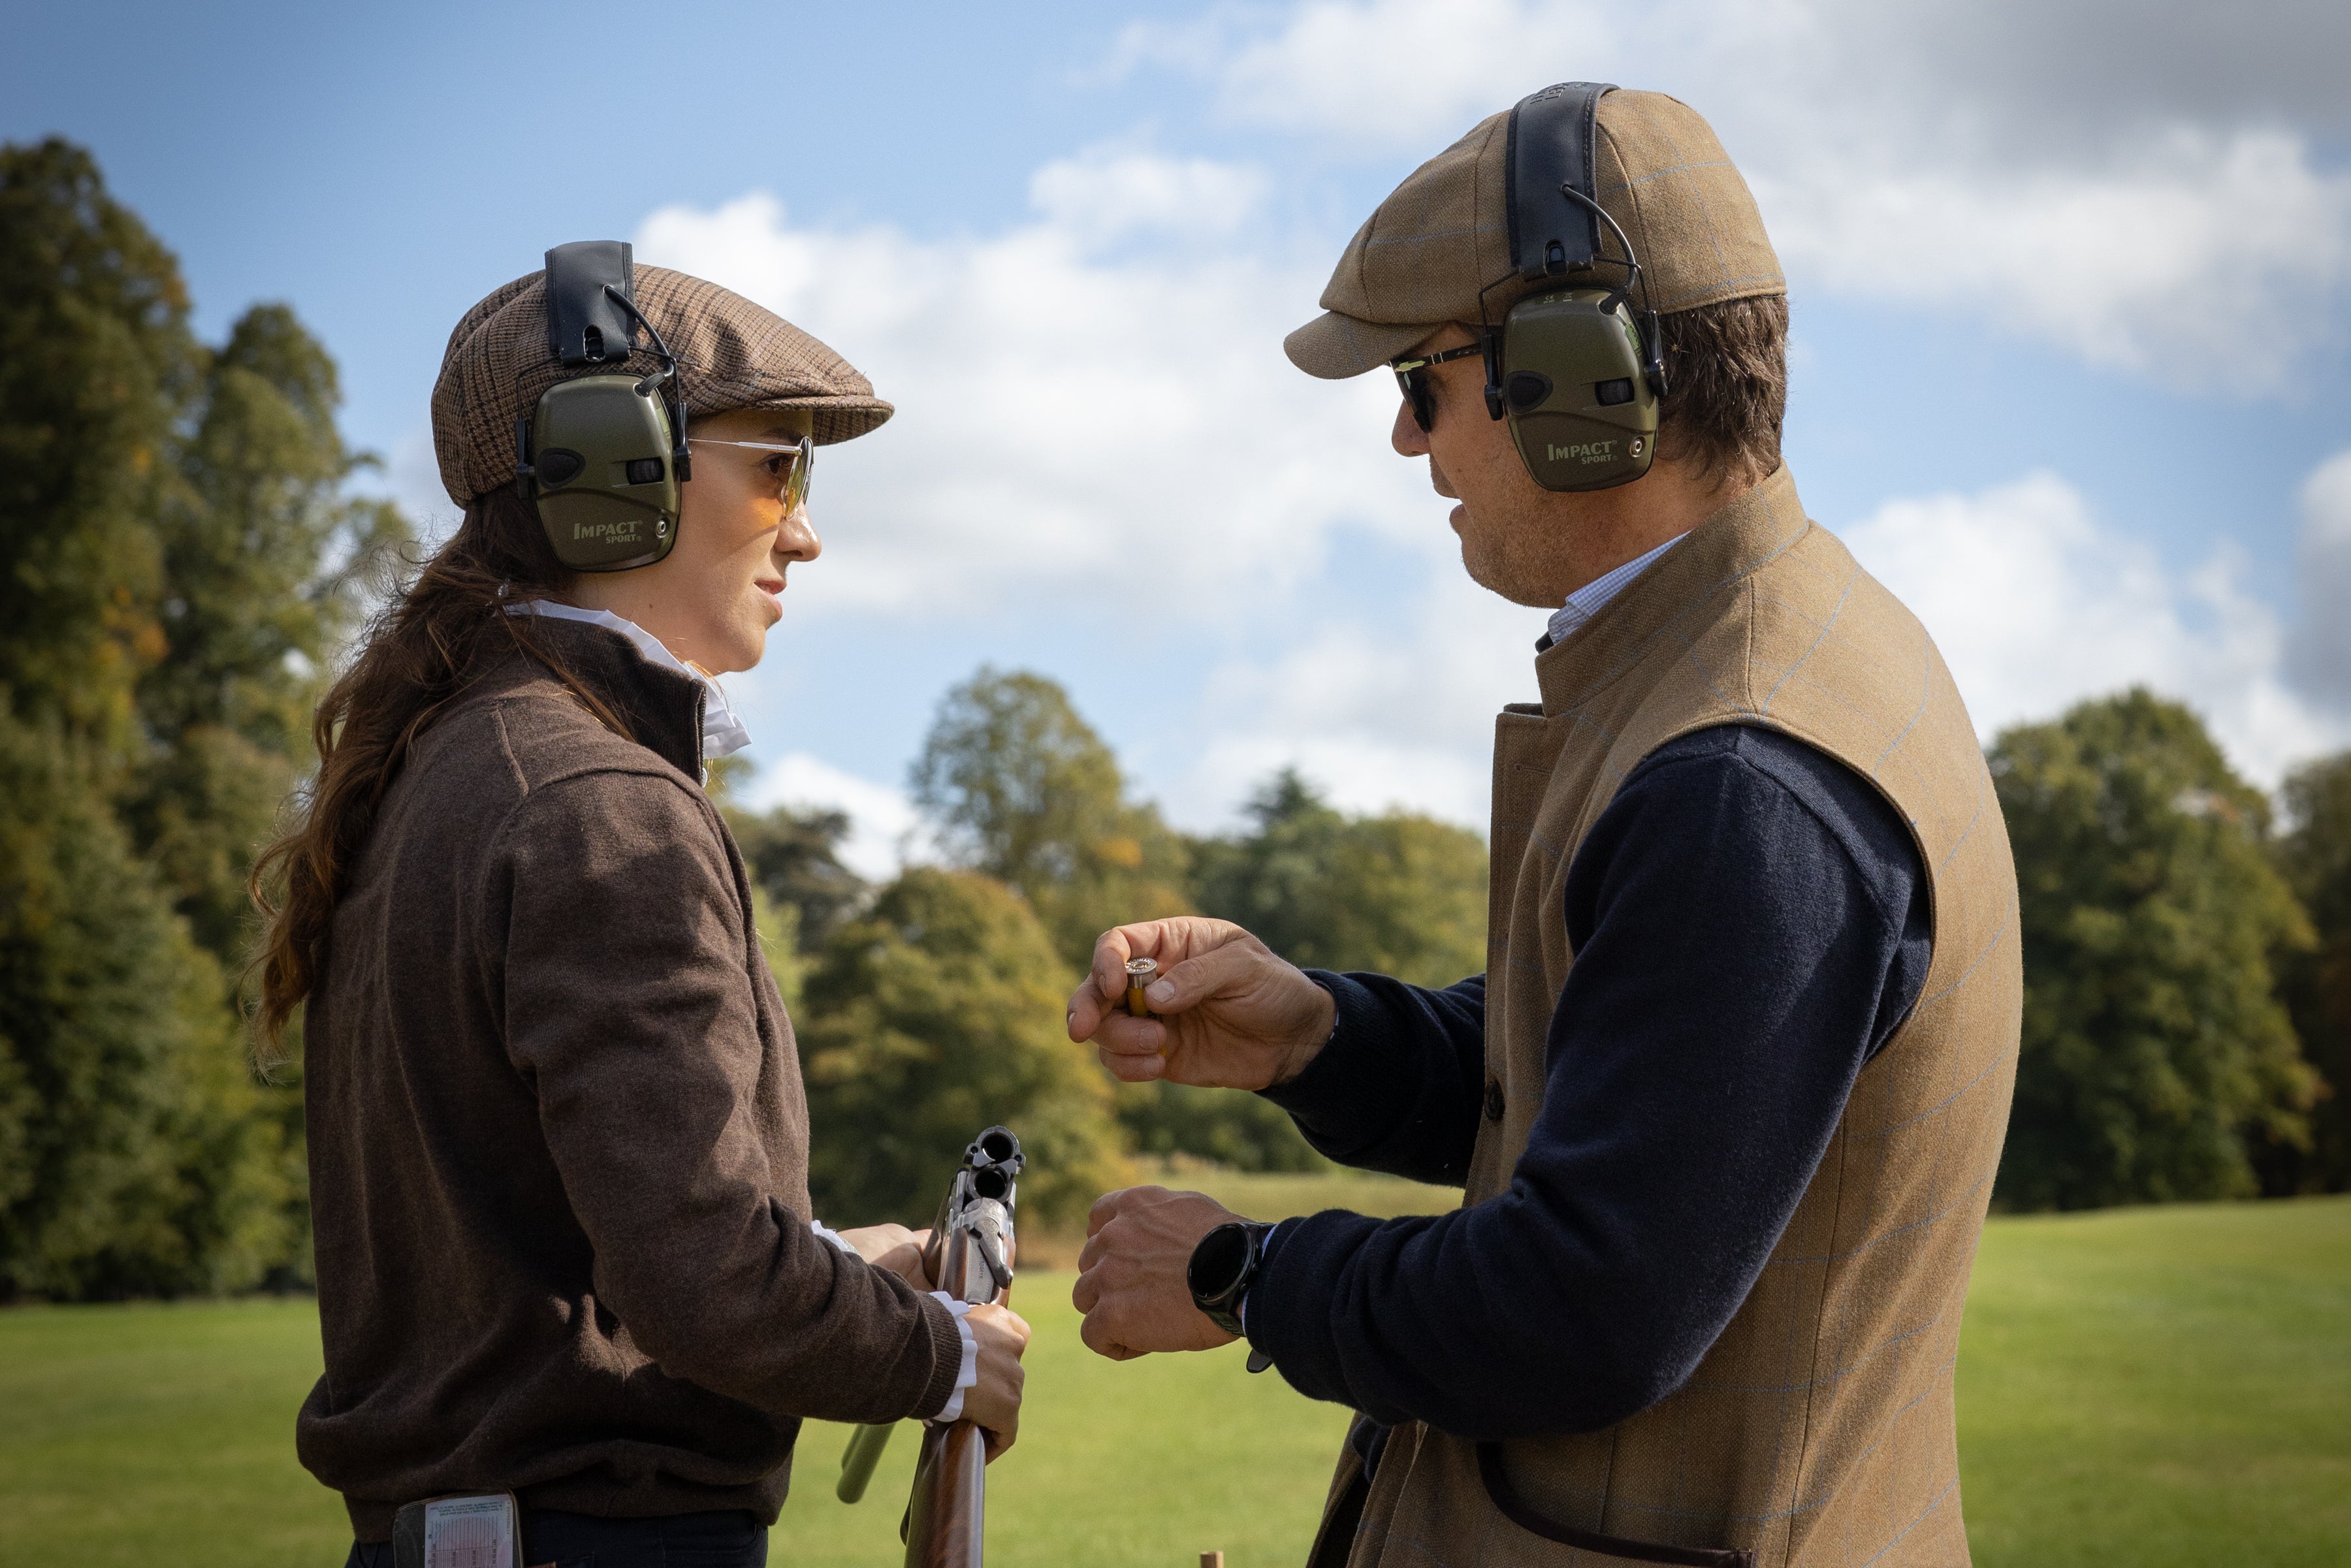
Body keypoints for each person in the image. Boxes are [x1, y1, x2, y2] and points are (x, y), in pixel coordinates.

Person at [1068, 88, 2020, 1568]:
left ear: (1576, 384)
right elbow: (1638, 1086)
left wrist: (1235, 1274)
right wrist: (1317, 1033)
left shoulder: (1741, 775)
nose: (1402, 437)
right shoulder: (1776, 661)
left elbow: (1583, 1303)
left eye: (1422, 380)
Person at [251, 253, 1028, 1568]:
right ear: (620, 470)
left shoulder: (461, 767)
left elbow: (582, 1243)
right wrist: (940, 1353)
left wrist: (830, 1261)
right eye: (779, 466)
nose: (805, 528)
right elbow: (703, 1279)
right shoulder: (598, 803)